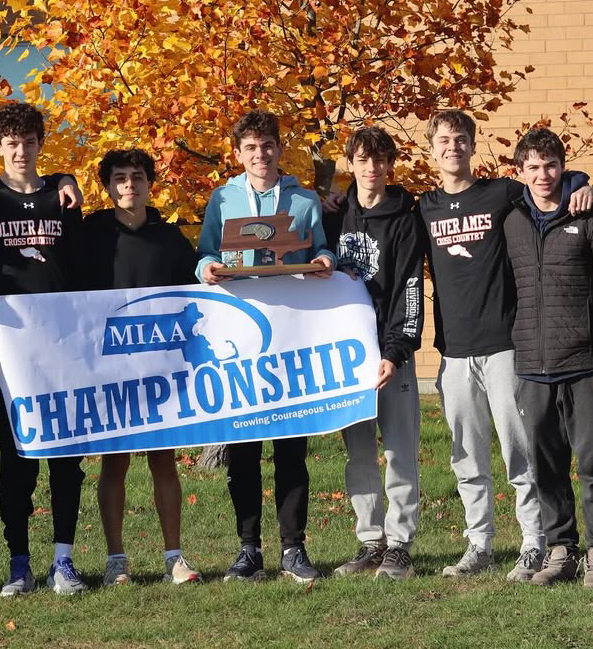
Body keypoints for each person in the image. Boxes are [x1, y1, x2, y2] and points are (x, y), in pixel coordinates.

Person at [418, 110, 593, 582]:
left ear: (473, 145)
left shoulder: (500, 194)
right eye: (443, 140)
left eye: (460, 139)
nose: (452, 146)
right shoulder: (425, 207)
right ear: (431, 148)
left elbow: (549, 183)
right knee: (467, 456)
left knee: (520, 452)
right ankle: (479, 545)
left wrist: (580, 179)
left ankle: (535, 545)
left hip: (504, 347)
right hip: (453, 352)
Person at [195, 109, 334, 584]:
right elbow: (207, 252)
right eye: (251, 147)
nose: (261, 154)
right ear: (239, 154)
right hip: (241, 336)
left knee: (291, 448)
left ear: (279, 149)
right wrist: (206, 269)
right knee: (245, 448)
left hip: (291, 336)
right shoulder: (223, 198)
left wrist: (323, 259)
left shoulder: (304, 199)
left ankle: (294, 548)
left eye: (268, 145)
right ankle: (249, 550)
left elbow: (322, 247)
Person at [0, 102, 89, 596]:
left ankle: (64, 560)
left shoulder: (65, 200)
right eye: (11, 143)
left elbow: (81, 265)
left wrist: (67, 177)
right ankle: (20, 563)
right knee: (17, 458)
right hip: (12, 353)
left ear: (41, 145)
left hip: (65, 348)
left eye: (29, 142)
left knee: (66, 458)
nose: (20, 151)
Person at [504, 127, 593, 588]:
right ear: (519, 172)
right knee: (546, 465)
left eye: (552, 165)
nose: (544, 175)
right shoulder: (512, 219)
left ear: (564, 166)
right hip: (533, 367)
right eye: (534, 167)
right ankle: (561, 550)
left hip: (588, 364)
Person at [84, 148, 202, 586]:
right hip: (109, 364)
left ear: (150, 182)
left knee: (163, 460)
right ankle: (116, 560)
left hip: (161, 368)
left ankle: (175, 557)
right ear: (108, 185)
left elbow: (200, 297)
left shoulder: (169, 237)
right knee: (114, 463)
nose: (128, 184)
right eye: (119, 177)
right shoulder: (91, 233)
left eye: (137, 176)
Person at [326, 127, 425, 581]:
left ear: (390, 165)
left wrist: (397, 349)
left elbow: (409, 286)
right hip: (348, 357)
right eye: (363, 160)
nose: (372, 168)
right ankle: (370, 540)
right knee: (360, 454)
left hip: (391, 354)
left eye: (381, 160)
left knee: (400, 451)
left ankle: (400, 544)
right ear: (350, 163)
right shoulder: (335, 216)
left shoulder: (406, 217)